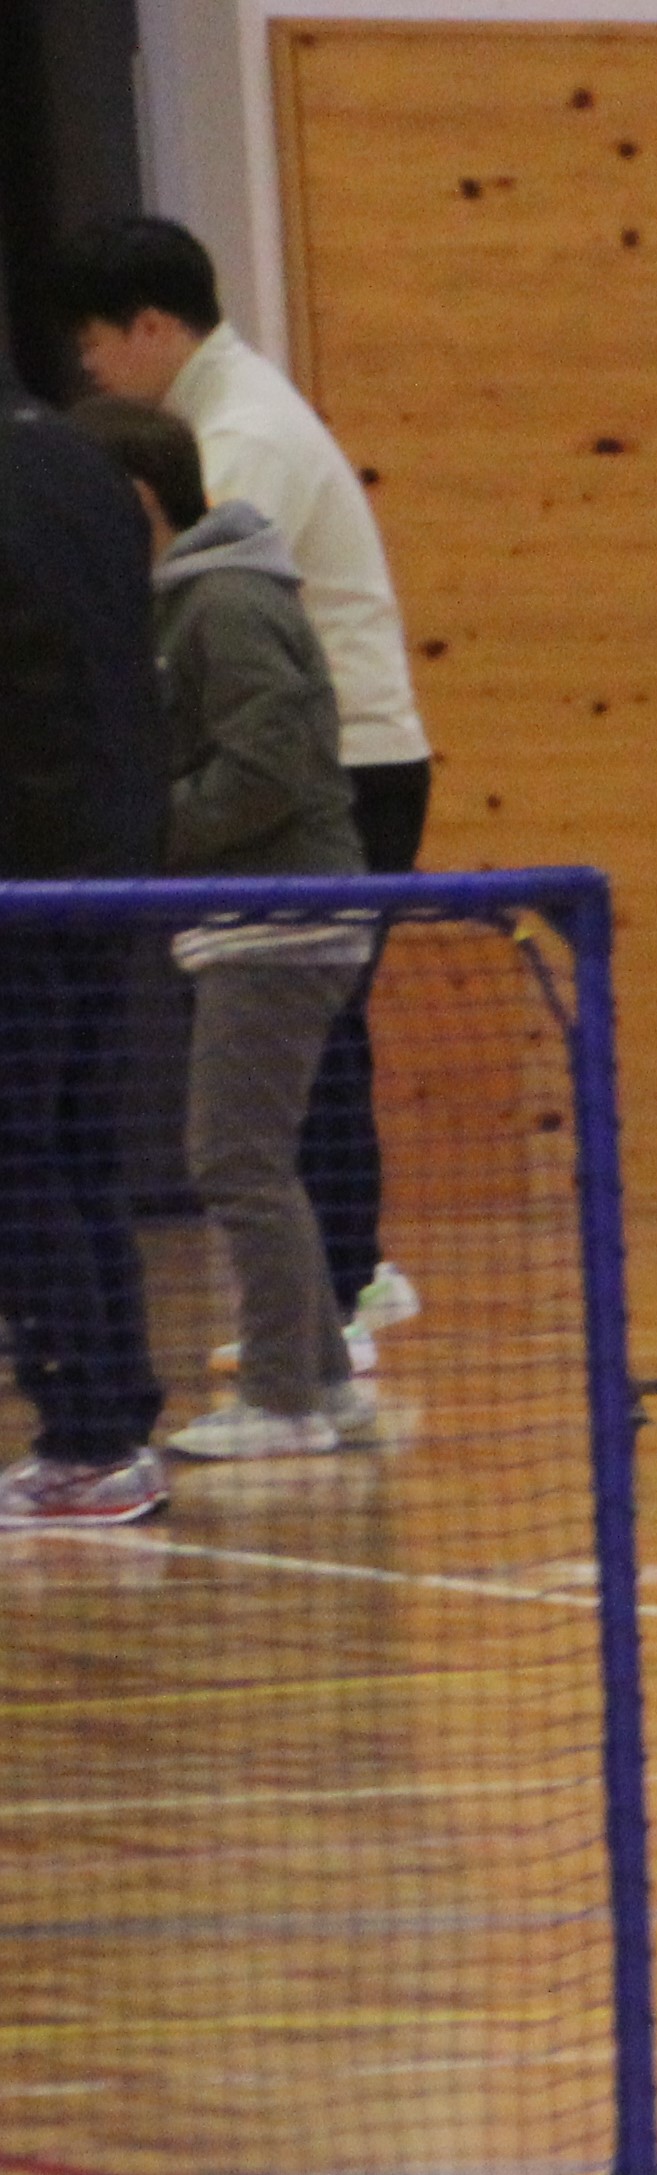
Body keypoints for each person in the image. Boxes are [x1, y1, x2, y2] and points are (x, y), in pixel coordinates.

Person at [52, 217, 430, 1369]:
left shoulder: (243, 438)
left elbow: (229, 630)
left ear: (155, 326)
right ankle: (327, 1297)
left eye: (100, 349)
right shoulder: (213, 416)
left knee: (307, 1033)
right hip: (312, 756)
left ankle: (348, 1289)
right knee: (299, 1037)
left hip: (341, 765)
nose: (95, 374)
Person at [71, 398, 379, 1461]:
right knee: (259, 1158)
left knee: (235, 1160)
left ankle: (283, 1398)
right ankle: (326, 1389)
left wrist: (146, 835)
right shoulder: (180, 607)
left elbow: (269, 765)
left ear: (137, 501)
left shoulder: (228, 604)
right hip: (246, 917)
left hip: (281, 918)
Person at [0, 390, 174, 1526]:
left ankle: (86, 1436)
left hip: (20, 867)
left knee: (22, 1156)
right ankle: (114, 1415)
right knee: (74, 1144)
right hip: (108, 864)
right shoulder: (77, 463)